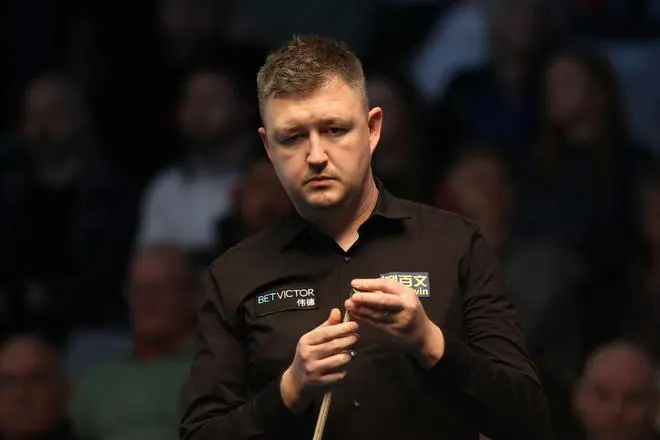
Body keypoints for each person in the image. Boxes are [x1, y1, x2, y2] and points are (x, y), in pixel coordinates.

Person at [180, 35, 550, 440]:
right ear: (268, 147)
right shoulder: (235, 275)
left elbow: (527, 420)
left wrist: (430, 343)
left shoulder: (454, 245)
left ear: (372, 129)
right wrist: (289, 390)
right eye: (293, 137)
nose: (316, 156)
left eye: (335, 129)